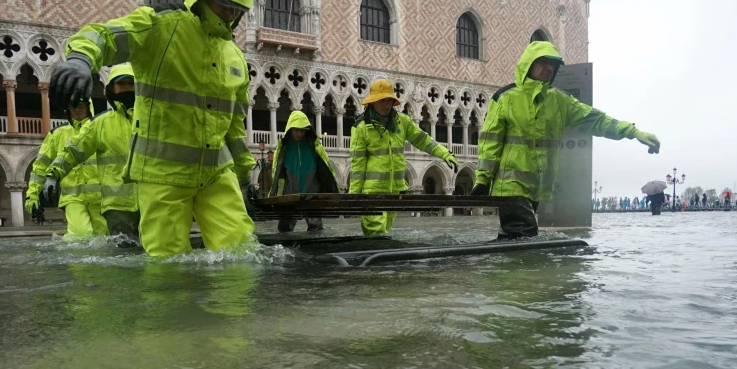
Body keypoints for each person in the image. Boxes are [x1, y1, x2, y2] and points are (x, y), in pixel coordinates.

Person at [48, 0, 256, 258]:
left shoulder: (235, 56)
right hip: (163, 174)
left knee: (242, 254)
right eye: (223, 5)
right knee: (167, 264)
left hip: (215, 174)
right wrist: (80, 59)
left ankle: (236, 307)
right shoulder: (162, 26)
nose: (229, 15)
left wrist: (244, 176)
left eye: (236, 10)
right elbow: (104, 34)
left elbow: (234, 128)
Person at [471, 40, 660, 238]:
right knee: (523, 235)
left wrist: (634, 132)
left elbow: (596, 120)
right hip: (509, 185)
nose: (548, 68)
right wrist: (483, 179)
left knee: (515, 237)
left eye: (552, 65)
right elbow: (490, 141)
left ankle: (499, 265)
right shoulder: (505, 97)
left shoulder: (560, 101)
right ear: (528, 63)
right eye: (543, 62)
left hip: (537, 188)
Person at [348, 78, 458, 236]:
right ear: (372, 102)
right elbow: (357, 163)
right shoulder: (361, 127)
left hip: (395, 189)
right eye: (382, 100)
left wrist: (444, 153)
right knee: (376, 234)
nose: (386, 105)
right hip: (371, 192)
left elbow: (423, 140)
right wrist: (355, 196)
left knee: (385, 232)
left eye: (389, 100)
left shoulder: (402, 121)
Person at [47, 64, 140, 237]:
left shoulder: (152, 120)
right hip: (117, 206)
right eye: (121, 84)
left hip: (152, 201)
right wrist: (53, 174)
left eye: (130, 83)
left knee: (156, 251)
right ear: (112, 89)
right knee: (123, 255)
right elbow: (74, 150)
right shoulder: (100, 123)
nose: (126, 88)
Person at [26, 96, 105, 239]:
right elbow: (40, 166)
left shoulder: (100, 130)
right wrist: (32, 195)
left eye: (81, 106)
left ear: (89, 107)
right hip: (72, 197)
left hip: (100, 198)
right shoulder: (57, 134)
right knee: (81, 235)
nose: (77, 110)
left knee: (103, 239)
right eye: (73, 107)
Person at [269, 109, 339, 233]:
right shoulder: (283, 148)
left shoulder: (314, 146)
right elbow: (277, 173)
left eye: (303, 130)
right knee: (284, 229)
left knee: (316, 229)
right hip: (290, 196)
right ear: (290, 129)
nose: (300, 133)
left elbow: (326, 167)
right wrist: (277, 195)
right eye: (297, 130)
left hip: (311, 193)